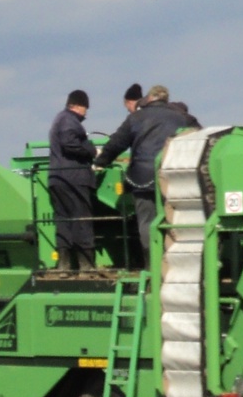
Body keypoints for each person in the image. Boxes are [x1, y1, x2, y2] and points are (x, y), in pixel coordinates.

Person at [95, 84, 200, 258]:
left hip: (142, 177)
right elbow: (200, 139)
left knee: (146, 221)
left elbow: (116, 143)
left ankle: (152, 261)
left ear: (149, 98)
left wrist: (101, 162)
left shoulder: (135, 118)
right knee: (174, 219)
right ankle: (174, 258)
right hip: (173, 176)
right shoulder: (183, 118)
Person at [47, 89, 98, 270]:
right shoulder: (69, 120)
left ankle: (64, 265)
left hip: (57, 178)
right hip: (73, 178)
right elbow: (69, 142)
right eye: (85, 108)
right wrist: (92, 151)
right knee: (81, 220)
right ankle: (86, 265)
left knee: (63, 221)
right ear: (77, 106)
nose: (86, 112)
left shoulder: (59, 119)